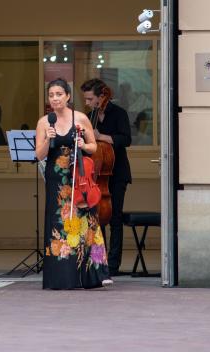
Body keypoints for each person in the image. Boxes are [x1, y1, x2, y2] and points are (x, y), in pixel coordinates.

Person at [35, 78, 112, 289]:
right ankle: (62, 276)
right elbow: (39, 154)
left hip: (79, 177)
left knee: (87, 223)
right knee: (59, 225)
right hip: (57, 180)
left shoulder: (80, 118)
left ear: (68, 96)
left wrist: (83, 144)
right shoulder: (44, 122)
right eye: (51, 95)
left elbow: (94, 147)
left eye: (59, 94)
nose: (55, 99)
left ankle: (93, 273)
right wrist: (47, 140)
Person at [81, 78, 132, 277]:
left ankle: (113, 264)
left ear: (102, 97)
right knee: (96, 219)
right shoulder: (88, 117)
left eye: (90, 98)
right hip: (95, 176)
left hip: (116, 173)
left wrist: (100, 136)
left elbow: (125, 139)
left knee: (115, 218)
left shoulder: (118, 113)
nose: (87, 103)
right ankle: (97, 260)